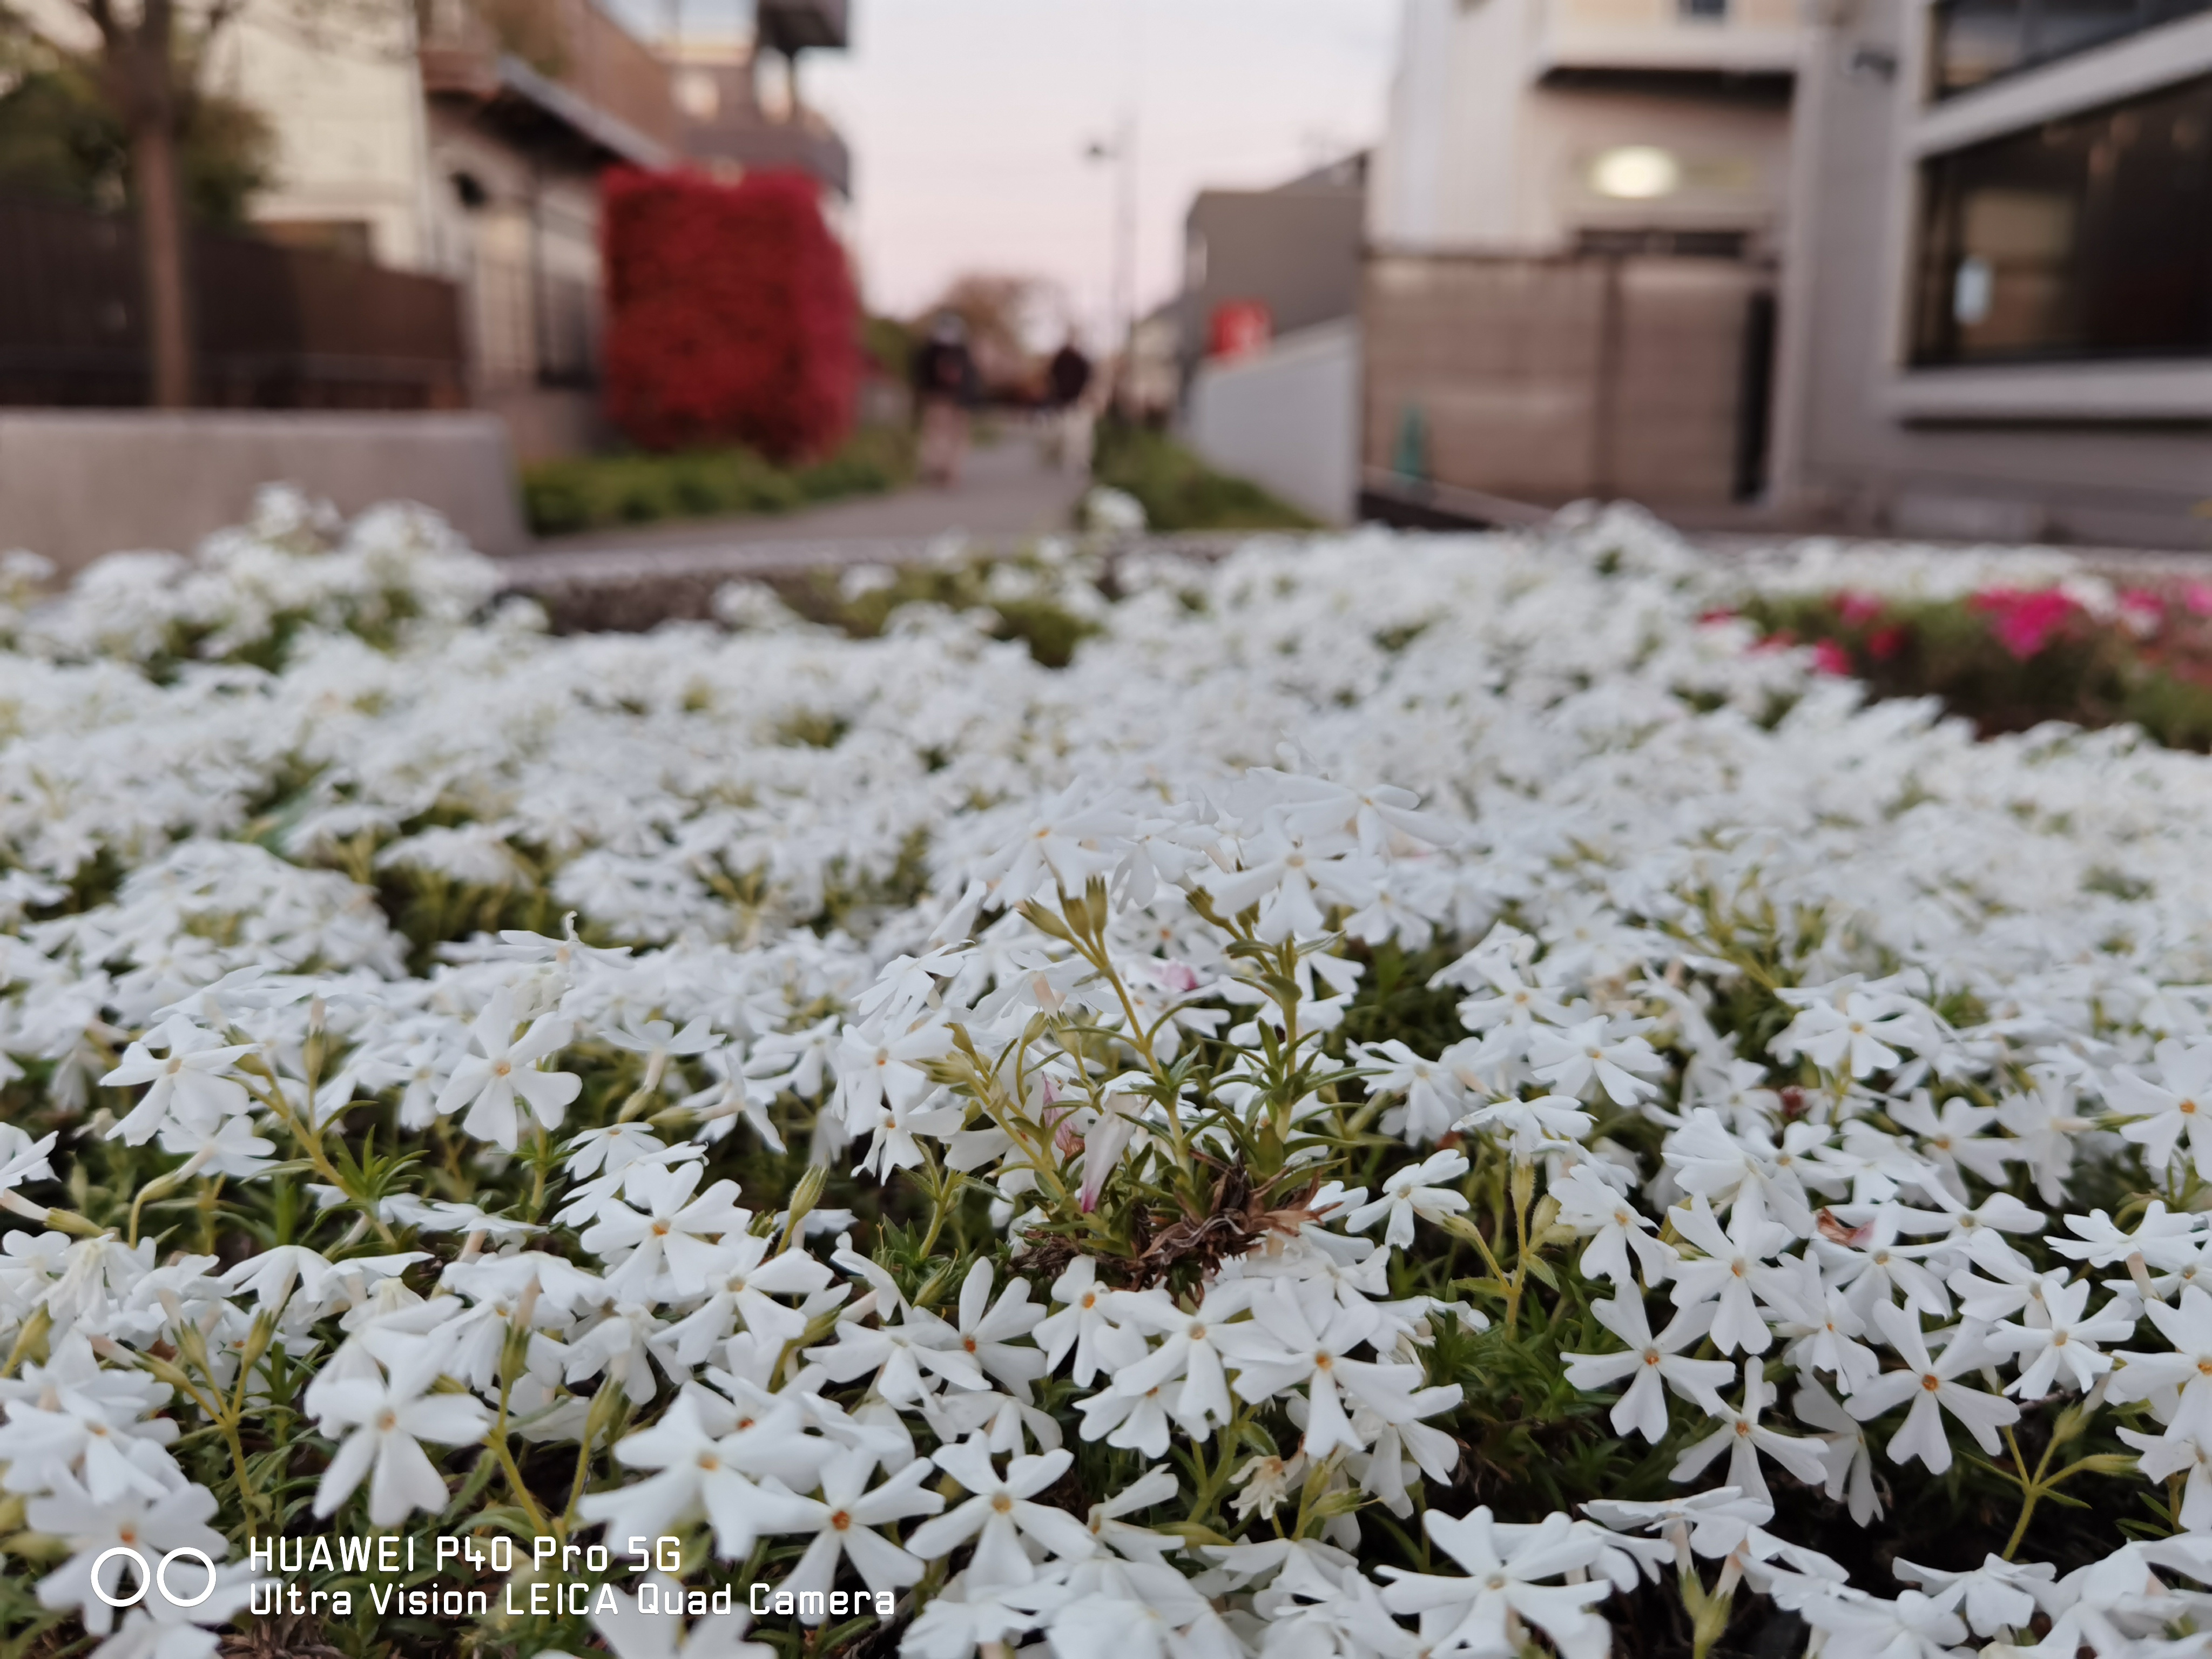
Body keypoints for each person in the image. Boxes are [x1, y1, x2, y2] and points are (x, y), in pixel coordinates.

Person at [911, 313, 978, 487]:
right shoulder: (962, 351)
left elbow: (919, 374)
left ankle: (936, 471)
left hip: (938, 398)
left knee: (937, 435)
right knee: (952, 437)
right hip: (954, 400)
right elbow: (972, 378)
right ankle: (948, 473)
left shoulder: (929, 350)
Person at [1043, 337, 1095, 474]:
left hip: (1069, 398)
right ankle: (1063, 456)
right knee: (1066, 430)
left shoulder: (1073, 360)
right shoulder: (1068, 360)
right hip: (1064, 398)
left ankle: (1067, 458)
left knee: (1070, 430)